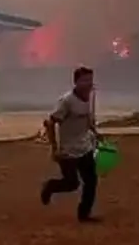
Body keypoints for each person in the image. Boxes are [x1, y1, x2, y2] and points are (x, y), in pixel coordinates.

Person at [40, 66, 102, 223]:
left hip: (85, 146)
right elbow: (50, 123)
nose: (88, 84)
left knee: (91, 181)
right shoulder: (67, 101)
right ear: (76, 82)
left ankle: (84, 214)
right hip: (68, 150)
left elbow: (88, 118)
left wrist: (95, 132)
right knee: (71, 183)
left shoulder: (89, 97)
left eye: (90, 80)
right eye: (85, 80)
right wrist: (54, 148)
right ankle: (50, 186)